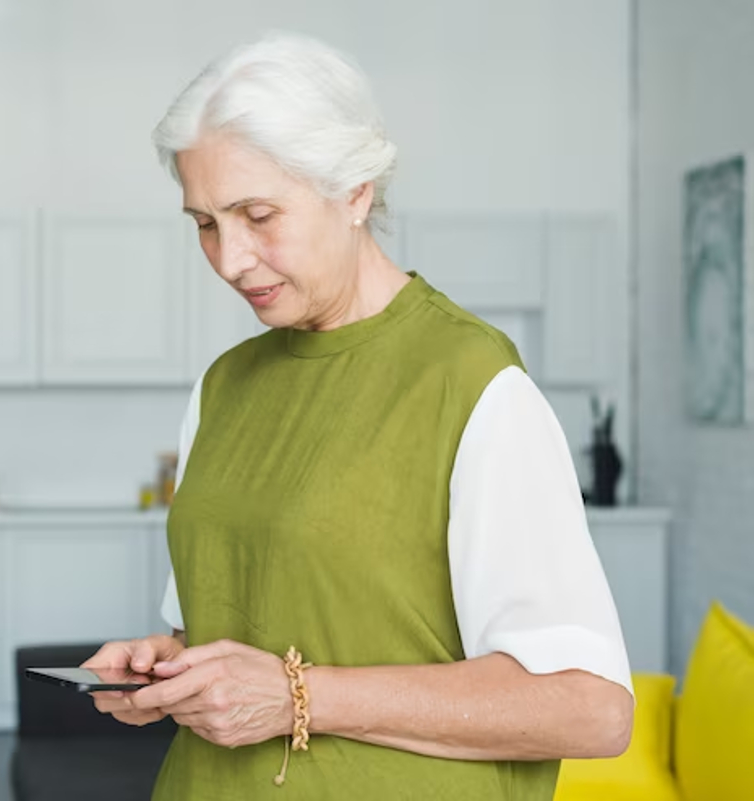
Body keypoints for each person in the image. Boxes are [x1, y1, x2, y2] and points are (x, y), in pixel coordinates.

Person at [83, 32, 634, 800]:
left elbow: (592, 709)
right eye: (205, 222)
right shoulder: (225, 386)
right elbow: (258, 618)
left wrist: (298, 695)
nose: (230, 258)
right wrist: (173, 664)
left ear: (355, 191)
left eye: (257, 214)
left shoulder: (471, 382)